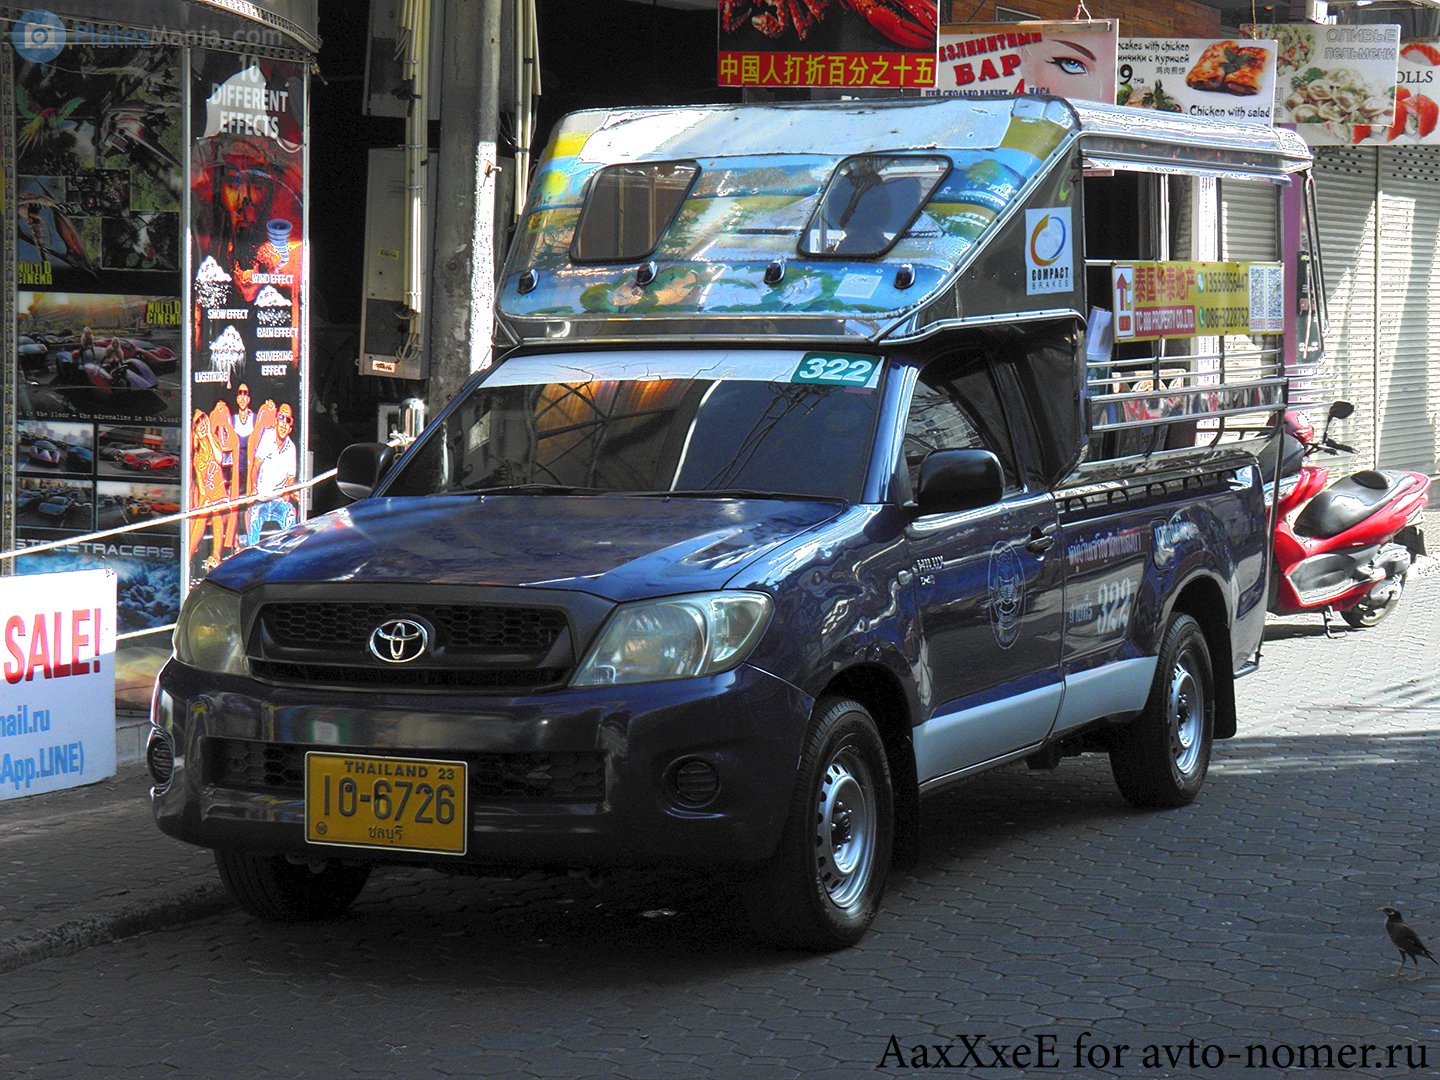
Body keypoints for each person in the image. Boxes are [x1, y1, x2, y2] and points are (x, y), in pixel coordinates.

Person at [246, 401, 297, 544]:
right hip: (261, 500)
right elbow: (256, 465)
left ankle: (290, 553)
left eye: (288, 421)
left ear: (290, 428)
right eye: (281, 418)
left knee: (290, 513)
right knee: (254, 516)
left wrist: (287, 493)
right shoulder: (268, 436)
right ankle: (252, 558)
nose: (283, 424)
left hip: (277, 501)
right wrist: (253, 487)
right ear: (276, 420)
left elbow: (290, 479)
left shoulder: (291, 448)